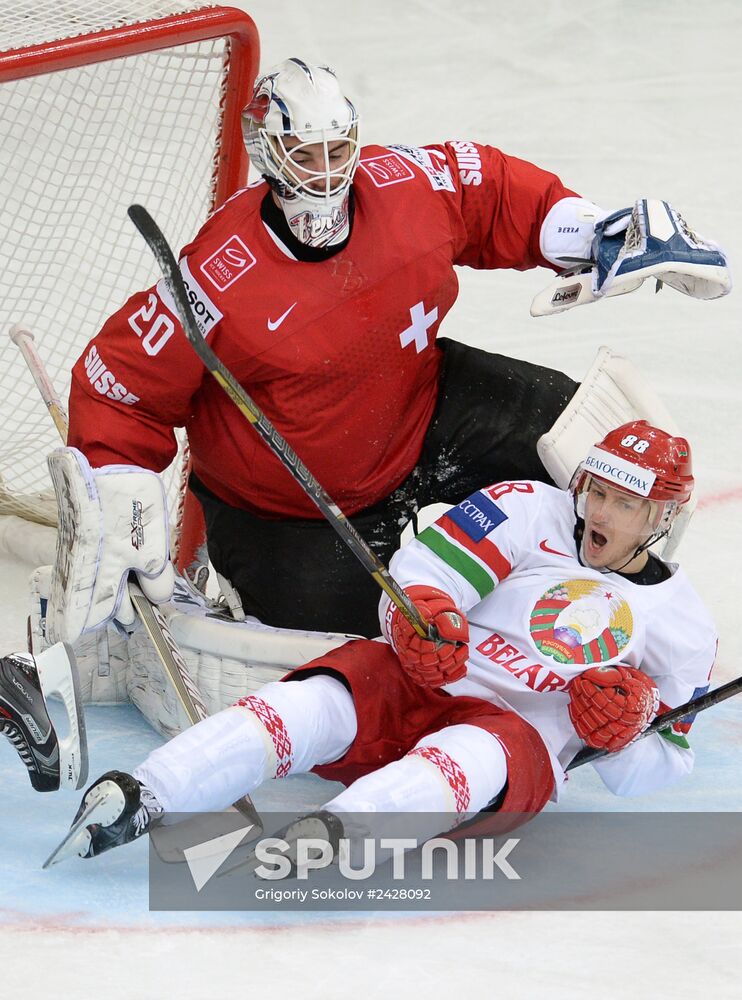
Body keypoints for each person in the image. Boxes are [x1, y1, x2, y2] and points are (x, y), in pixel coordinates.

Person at [53, 57, 730, 642]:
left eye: (336, 150)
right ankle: (233, 574)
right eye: (304, 155)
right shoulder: (218, 274)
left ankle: (598, 608)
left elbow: (488, 190)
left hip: (420, 405)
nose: (325, 173)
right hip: (290, 505)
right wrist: (119, 491)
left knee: (580, 440)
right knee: (370, 644)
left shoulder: (402, 184)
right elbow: (119, 382)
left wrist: (594, 230)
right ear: (267, 152)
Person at [32, 420, 717, 865]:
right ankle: (141, 793)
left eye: (623, 505)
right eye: (597, 492)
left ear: (659, 517)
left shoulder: (682, 626)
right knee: (309, 705)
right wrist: (422, 616)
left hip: (514, 735)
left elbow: (657, 763)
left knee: (466, 757)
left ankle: (328, 842)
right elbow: (428, 575)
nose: (598, 512)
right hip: (419, 681)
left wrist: (629, 733)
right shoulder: (527, 506)